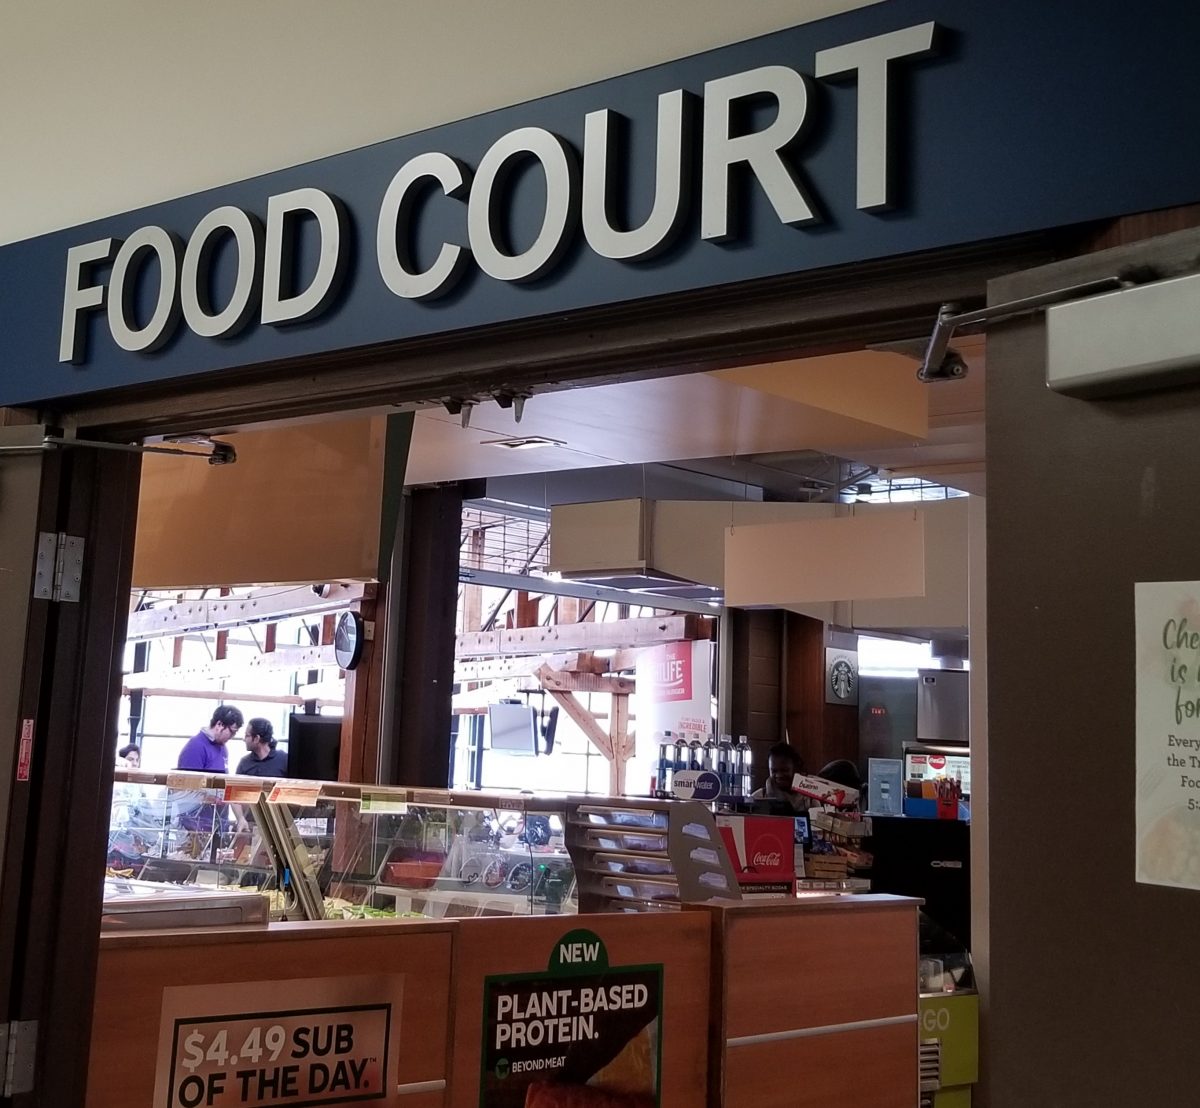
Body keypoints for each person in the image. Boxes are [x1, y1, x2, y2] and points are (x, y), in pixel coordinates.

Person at [176, 705, 243, 772]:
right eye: (232, 731)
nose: (233, 736)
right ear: (219, 724)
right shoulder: (195, 748)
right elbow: (189, 778)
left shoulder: (222, 748)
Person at [751, 742, 811, 812]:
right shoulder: (758, 798)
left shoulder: (811, 800)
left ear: (795, 769)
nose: (779, 775)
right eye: (774, 771)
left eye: (784, 770)